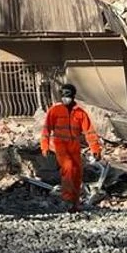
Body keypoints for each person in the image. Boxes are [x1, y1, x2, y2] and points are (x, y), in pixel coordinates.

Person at [40, 83, 102, 213]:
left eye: (68, 96)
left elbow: (89, 132)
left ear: (73, 96)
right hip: (60, 145)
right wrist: (44, 146)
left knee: (77, 172)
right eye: (63, 96)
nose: (65, 99)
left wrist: (95, 149)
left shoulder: (80, 113)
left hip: (74, 146)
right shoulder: (54, 111)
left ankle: (75, 203)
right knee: (68, 167)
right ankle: (67, 198)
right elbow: (46, 130)